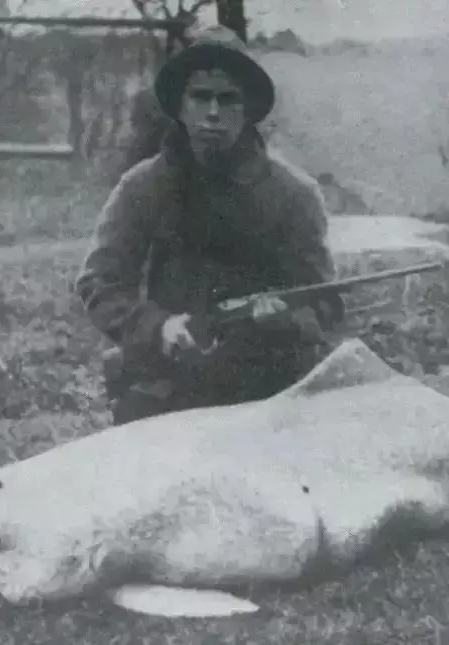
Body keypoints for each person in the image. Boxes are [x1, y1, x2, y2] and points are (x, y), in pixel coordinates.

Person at [74, 24, 345, 425]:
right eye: (200, 97)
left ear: (249, 109)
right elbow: (99, 283)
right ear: (180, 106)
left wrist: (285, 318)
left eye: (228, 99)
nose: (213, 112)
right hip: (170, 387)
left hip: (270, 392)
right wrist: (158, 328)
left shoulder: (294, 194)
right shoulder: (143, 186)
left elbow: (326, 302)